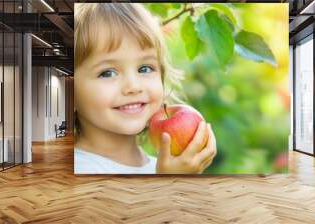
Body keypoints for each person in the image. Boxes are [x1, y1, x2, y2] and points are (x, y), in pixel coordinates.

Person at [74, 3, 217, 174]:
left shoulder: (162, 168)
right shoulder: (79, 169)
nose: (134, 86)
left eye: (145, 69)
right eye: (108, 73)